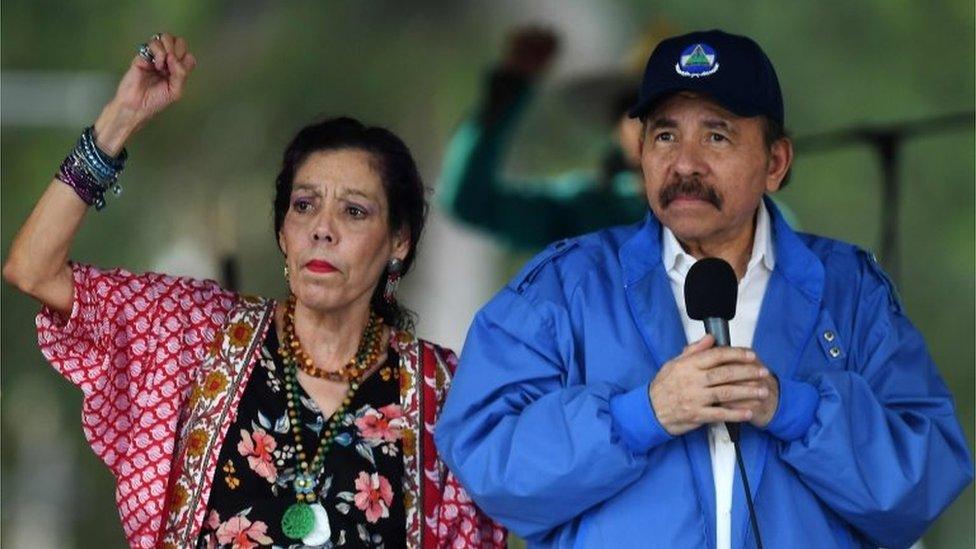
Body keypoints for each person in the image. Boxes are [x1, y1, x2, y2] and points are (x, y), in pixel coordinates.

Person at [435, 29, 972, 548]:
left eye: (716, 136)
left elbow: (925, 479)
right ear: (640, 150)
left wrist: (797, 410)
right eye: (665, 136)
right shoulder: (562, 285)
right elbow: (485, 461)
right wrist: (642, 415)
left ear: (776, 163)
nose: (685, 163)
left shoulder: (849, 290)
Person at [3, 32, 505, 549]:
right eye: (304, 205)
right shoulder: (195, 333)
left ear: (398, 242)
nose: (322, 228)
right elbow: (33, 269)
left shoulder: (445, 395)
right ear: (283, 233)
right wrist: (120, 120)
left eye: (354, 211)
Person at [438, 27, 647, 251]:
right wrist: (506, 93)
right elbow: (470, 204)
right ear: (617, 127)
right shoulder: (587, 211)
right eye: (637, 107)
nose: (650, 124)